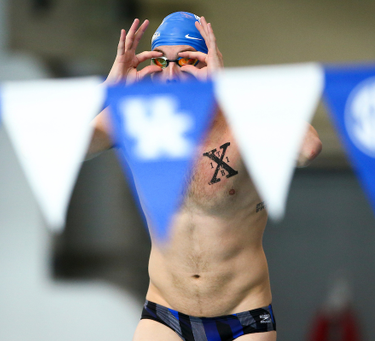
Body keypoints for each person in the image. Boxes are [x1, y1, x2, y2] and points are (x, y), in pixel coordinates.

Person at [87, 11, 322, 341]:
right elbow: (63, 148)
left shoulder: (241, 119)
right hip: (164, 312)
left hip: (243, 316)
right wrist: (108, 90)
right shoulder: (138, 116)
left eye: (184, 61)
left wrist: (230, 91)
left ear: (205, 64)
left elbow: (308, 148)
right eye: (163, 61)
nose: (171, 74)